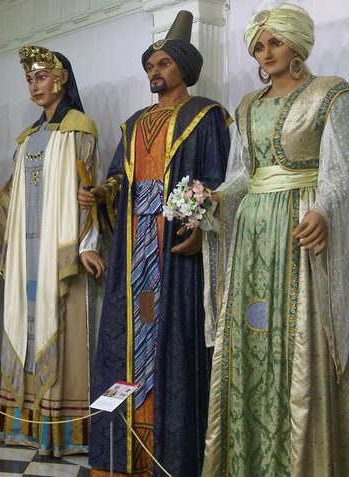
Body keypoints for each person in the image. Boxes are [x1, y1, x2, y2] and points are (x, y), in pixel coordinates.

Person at [82, 11, 231, 476]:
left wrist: (200, 223)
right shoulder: (133, 123)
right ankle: (122, 453)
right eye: (150, 65)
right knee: (131, 330)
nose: (154, 71)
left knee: (173, 333)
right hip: (133, 242)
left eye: (163, 63)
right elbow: (117, 177)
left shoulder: (206, 116)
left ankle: (172, 455)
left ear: (184, 67)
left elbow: (218, 178)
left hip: (174, 243)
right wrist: (103, 193)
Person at [202, 5, 349, 476]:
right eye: (258, 46)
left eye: (274, 43)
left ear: (296, 44)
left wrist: (323, 210)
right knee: (251, 335)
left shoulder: (330, 93)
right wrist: (213, 199)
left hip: (299, 229)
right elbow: (241, 175)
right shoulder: (247, 105)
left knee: (300, 340)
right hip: (252, 233)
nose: (265, 53)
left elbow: (340, 170)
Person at [0, 45, 105, 456]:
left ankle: (59, 432)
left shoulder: (80, 128)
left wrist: (88, 244)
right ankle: (23, 425)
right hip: (26, 255)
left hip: (59, 254)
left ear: (61, 78)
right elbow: (13, 194)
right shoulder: (26, 138)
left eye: (41, 76)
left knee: (61, 330)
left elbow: (88, 190)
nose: (34, 86)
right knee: (22, 327)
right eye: (29, 79)